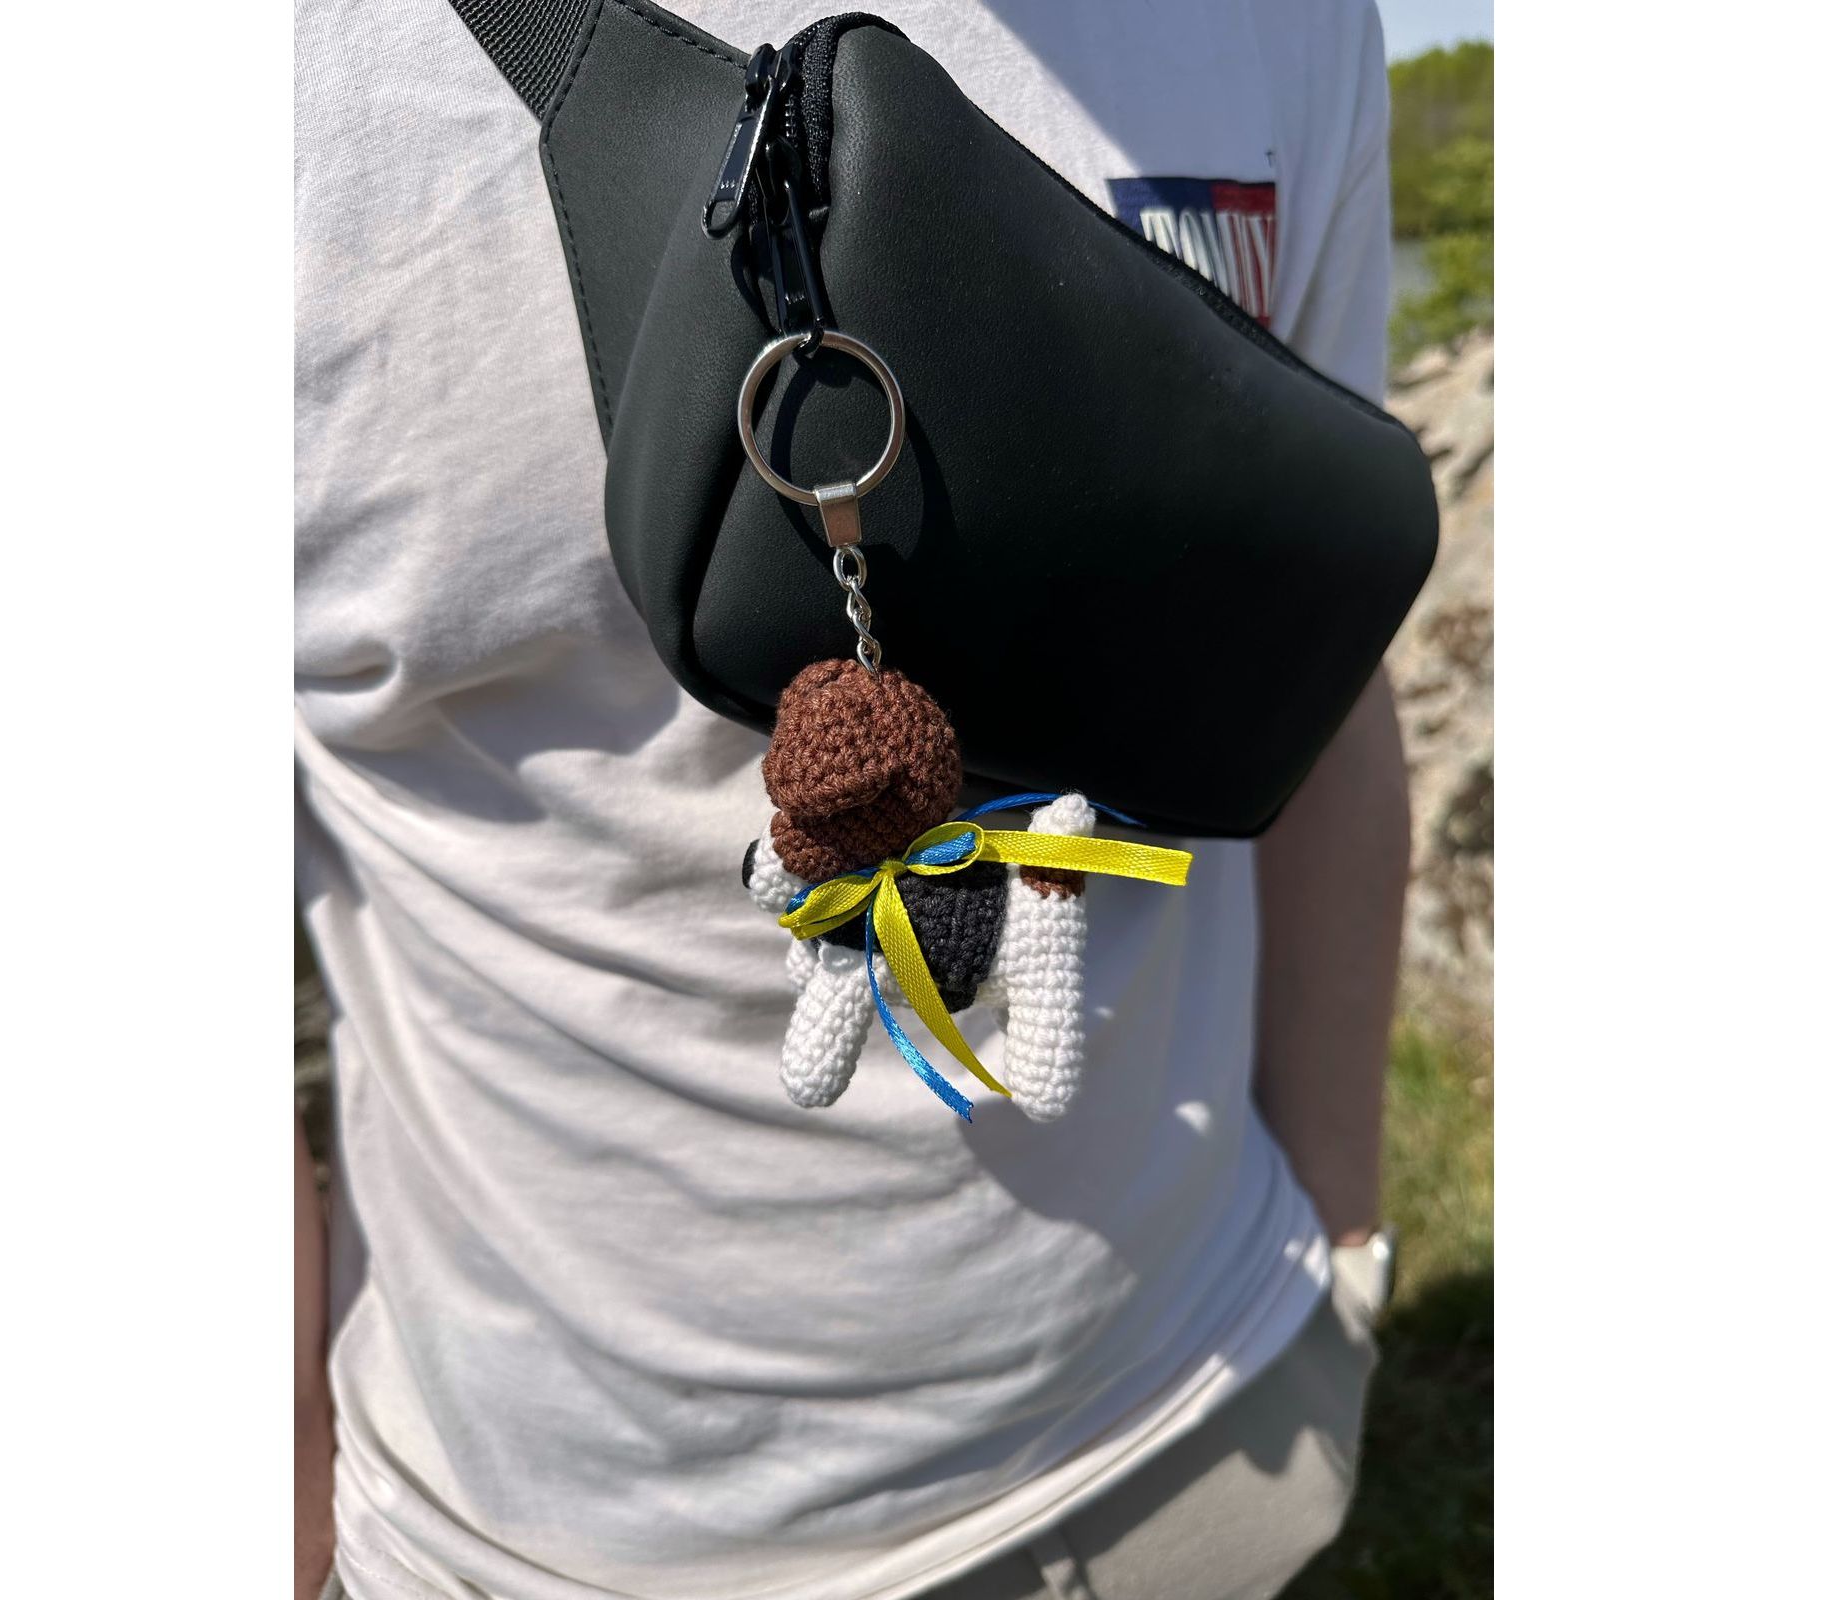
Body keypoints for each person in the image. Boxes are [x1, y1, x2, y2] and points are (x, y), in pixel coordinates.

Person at [294, 2, 1409, 1596]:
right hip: (551, 1538)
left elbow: (1319, 647)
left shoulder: (1286, 21)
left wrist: (1342, 1236)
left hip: (1220, 1391)